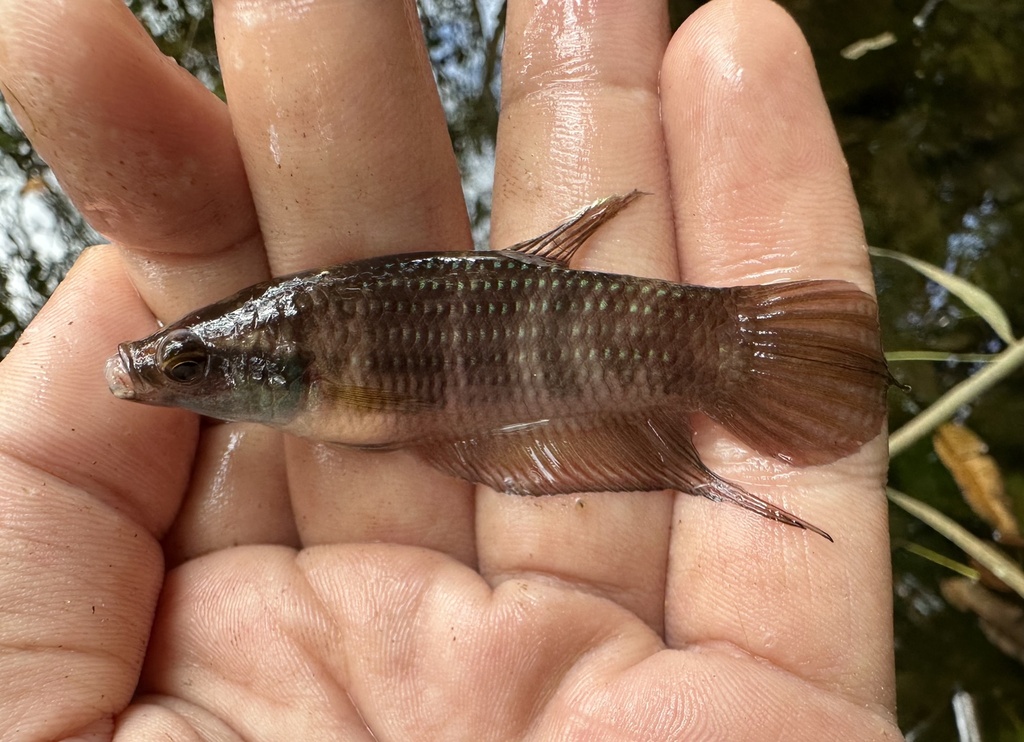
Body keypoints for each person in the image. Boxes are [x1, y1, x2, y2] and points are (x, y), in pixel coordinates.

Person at [0, 0, 902, 738]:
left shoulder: (307, 369)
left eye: (193, 365)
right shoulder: (292, 360)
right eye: (182, 366)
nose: (175, 379)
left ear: (255, 362)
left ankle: (723, 352)